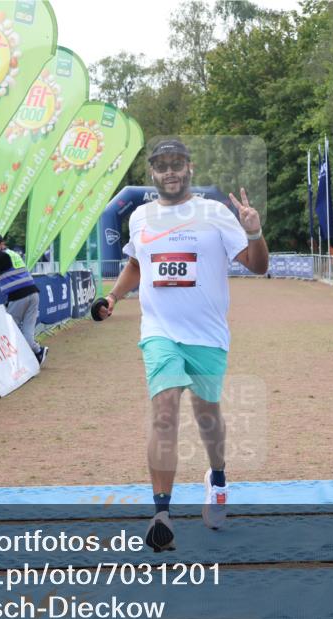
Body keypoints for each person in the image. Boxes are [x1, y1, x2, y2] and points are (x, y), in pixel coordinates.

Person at [94, 139, 268, 551]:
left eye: (176, 164)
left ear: (188, 167)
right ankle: (162, 514)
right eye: (161, 166)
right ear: (152, 173)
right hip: (159, 332)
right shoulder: (141, 217)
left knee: (207, 416)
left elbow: (259, 266)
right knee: (165, 409)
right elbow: (137, 263)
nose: (169, 172)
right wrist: (114, 297)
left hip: (207, 336)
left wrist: (254, 231)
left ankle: (218, 479)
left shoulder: (214, 213)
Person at [0, 233, 47, 365]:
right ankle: (38, 352)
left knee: (10, 329)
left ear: (2, 244)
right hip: (33, 293)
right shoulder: (12, 254)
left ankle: (15, 361)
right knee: (27, 331)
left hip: (18, 296)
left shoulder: (1, 256)